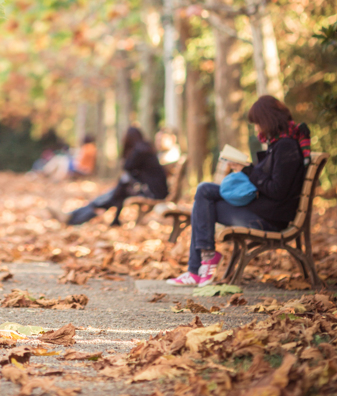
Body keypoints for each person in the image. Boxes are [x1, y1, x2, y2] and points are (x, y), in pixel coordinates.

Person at [168, 95, 310, 287]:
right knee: (204, 191)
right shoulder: (278, 144)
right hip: (262, 210)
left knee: (202, 207)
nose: (257, 128)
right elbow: (267, 180)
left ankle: (199, 266)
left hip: (269, 220)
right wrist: (246, 167)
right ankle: (201, 263)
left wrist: (247, 170)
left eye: (258, 123)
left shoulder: (286, 147)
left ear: (268, 120)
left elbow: (277, 190)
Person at [50, 126, 168, 226]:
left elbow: (127, 166)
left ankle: (72, 218)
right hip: (150, 189)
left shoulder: (140, 151)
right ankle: (72, 216)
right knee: (111, 195)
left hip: (152, 192)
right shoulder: (145, 148)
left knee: (108, 198)